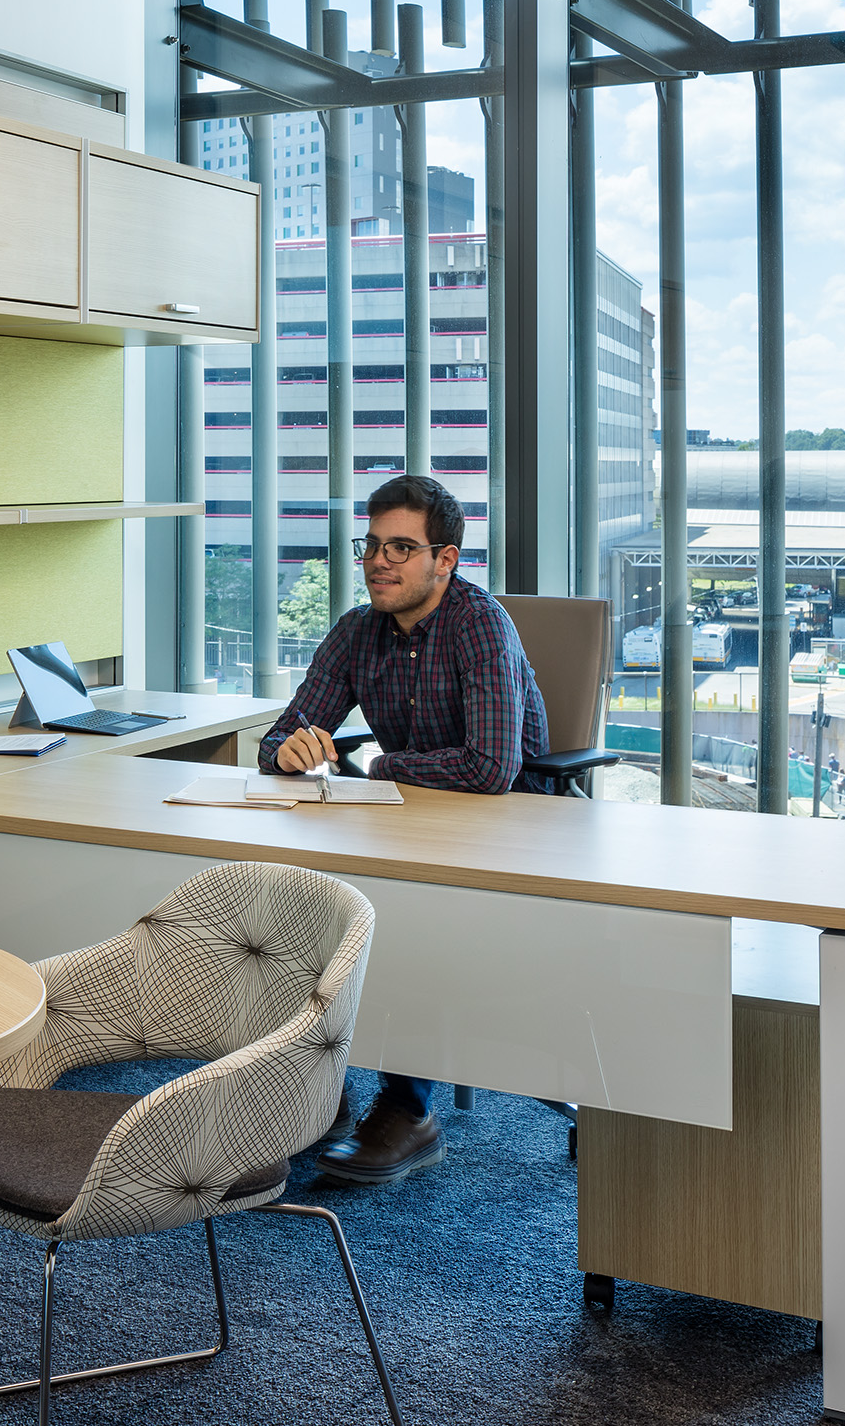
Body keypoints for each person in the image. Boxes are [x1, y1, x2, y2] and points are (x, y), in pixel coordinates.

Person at [257, 474, 549, 1186]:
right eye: (370, 545)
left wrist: (383, 762)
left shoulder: (480, 625)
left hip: (520, 822)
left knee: (406, 911)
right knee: (309, 895)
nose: (377, 561)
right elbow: (279, 737)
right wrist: (290, 751)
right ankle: (312, 1086)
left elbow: (490, 768)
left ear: (444, 560)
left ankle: (406, 1106)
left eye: (400, 547)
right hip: (411, 815)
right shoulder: (360, 631)